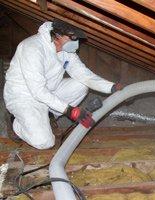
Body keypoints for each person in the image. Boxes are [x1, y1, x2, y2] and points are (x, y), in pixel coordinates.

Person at [3, 19, 122, 149]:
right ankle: (16, 124)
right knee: (45, 142)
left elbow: (82, 74)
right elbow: (37, 91)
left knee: (81, 85)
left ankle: (49, 116)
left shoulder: (66, 51)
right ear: (58, 36)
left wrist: (112, 87)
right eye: (72, 38)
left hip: (49, 91)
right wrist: (69, 110)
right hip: (24, 97)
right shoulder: (32, 48)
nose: (75, 43)